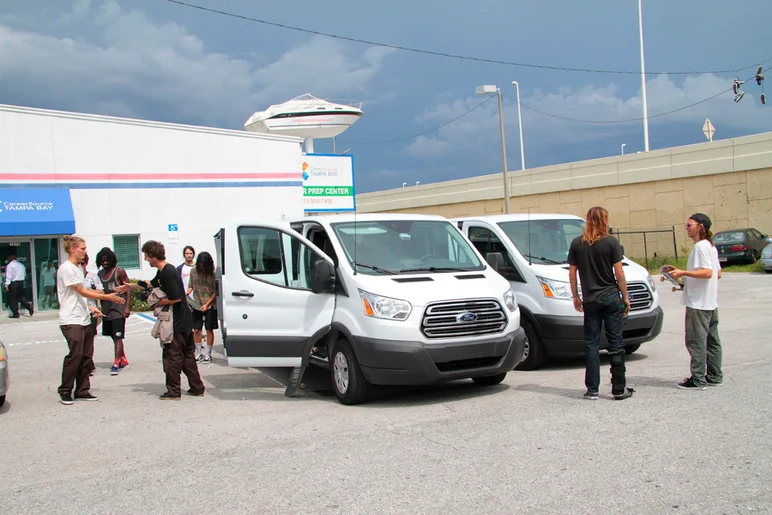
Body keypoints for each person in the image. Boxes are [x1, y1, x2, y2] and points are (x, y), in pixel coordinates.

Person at [568, 206, 635, 401]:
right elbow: (619, 273)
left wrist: (575, 296)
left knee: (591, 343)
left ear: (587, 220)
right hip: (610, 296)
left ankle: (592, 390)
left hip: (590, 299)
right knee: (616, 342)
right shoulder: (611, 242)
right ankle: (619, 388)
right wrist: (625, 296)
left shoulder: (577, 244)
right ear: (604, 220)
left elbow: (572, 273)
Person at [57, 236, 125, 405]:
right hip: (71, 319)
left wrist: (91, 307)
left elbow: (82, 293)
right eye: (82, 249)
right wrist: (106, 296)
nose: (84, 252)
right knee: (76, 354)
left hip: (84, 317)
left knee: (87, 356)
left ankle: (82, 389)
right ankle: (65, 390)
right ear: (72, 248)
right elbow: (82, 291)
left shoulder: (78, 269)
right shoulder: (66, 269)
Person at [142, 240, 205, 400]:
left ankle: (173, 391)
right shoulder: (165, 271)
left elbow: (176, 298)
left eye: (147, 256)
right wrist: (130, 286)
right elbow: (152, 283)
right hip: (185, 321)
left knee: (172, 357)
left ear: (153, 256)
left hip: (175, 322)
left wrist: (161, 302)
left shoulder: (168, 272)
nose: (145, 260)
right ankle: (197, 387)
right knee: (187, 357)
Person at [668, 213, 723, 390]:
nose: (686, 227)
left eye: (689, 224)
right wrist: (687, 281)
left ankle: (698, 379)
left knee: (696, 341)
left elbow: (707, 273)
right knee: (712, 341)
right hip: (710, 302)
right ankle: (714, 376)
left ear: (700, 227)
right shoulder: (710, 246)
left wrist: (683, 273)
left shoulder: (700, 247)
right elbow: (717, 273)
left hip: (698, 304)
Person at [95, 248, 131, 375]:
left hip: (118, 309)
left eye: (107, 260)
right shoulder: (99, 274)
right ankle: (123, 358)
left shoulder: (119, 271)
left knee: (118, 336)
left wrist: (127, 307)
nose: (105, 262)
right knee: (112, 335)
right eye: (102, 260)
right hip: (106, 309)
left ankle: (116, 362)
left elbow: (128, 289)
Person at [187, 251, 218, 363]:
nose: (201, 267)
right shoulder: (193, 271)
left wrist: (207, 304)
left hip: (210, 305)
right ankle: (198, 353)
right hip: (197, 304)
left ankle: (208, 354)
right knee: (196, 330)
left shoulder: (213, 273)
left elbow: (216, 291)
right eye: (200, 265)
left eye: (204, 265)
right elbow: (191, 286)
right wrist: (187, 293)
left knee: (209, 329)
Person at [79, 253, 103, 378]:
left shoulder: (92, 276)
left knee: (89, 340)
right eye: (78, 263)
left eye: (82, 263)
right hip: (77, 312)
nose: (80, 266)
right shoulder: (72, 277)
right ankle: (81, 364)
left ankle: (88, 364)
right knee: (78, 341)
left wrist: (88, 291)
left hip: (91, 311)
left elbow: (101, 291)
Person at [4, 253, 33, 318]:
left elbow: (9, 276)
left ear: (11, 257)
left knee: (13, 299)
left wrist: (6, 285)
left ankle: (15, 313)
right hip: (21, 282)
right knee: (20, 297)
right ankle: (29, 307)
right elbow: (24, 274)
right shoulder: (21, 265)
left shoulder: (10, 265)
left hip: (14, 283)